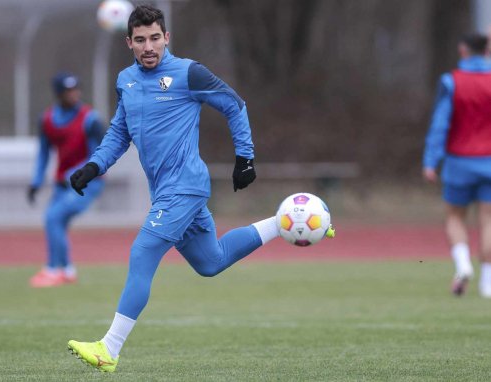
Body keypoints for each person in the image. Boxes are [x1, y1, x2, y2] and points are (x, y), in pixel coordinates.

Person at [66, 5, 334, 372]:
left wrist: (246, 157)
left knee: (143, 252)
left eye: (155, 38)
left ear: (167, 38)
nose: (149, 46)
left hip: (185, 187)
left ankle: (109, 348)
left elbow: (234, 105)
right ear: (129, 42)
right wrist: (94, 166)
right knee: (211, 262)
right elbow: (119, 133)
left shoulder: (188, 73)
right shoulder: (125, 80)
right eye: (141, 40)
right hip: (166, 191)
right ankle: (284, 220)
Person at [423, 33, 491, 298]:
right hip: (490, 161)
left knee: (454, 217)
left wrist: (431, 161)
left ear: (463, 50)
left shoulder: (452, 81)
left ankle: (463, 266)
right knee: (488, 220)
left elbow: (440, 125)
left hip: (459, 161)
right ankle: (488, 283)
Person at [27, 72, 105, 287]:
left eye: (76, 89)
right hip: (63, 183)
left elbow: (98, 155)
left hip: (89, 182)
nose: (74, 94)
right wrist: (36, 182)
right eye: (68, 91)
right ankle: (67, 270)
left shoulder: (91, 120)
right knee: (54, 221)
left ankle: (53, 270)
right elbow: (43, 153)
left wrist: (75, 174)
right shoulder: (48, 120)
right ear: (59, 94)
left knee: (53, 217)